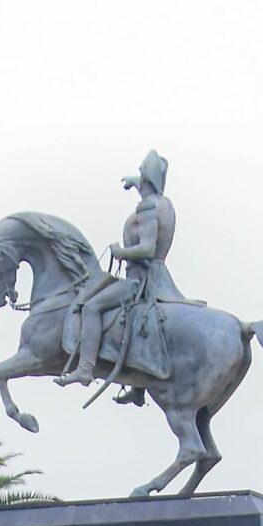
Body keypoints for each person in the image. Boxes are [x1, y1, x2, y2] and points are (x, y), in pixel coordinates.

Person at [60, 149, 182, 391]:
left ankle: (85, 368)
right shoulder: (164, 204)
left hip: (141, 280)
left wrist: (121, 251)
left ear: (147, 180)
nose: (140, 179)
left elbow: (147, 248)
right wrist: (134, 182)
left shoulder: (146, 208)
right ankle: (137, 389)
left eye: (141, 176)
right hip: (158, 275)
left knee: (92, 307)